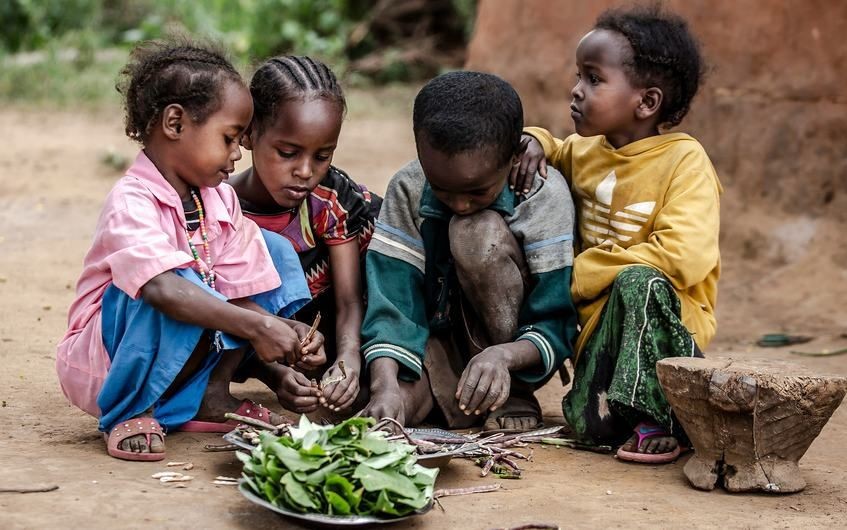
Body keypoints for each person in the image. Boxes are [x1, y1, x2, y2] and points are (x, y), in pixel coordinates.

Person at [55, 41, 319, 461]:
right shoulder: (132, 201)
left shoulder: (218, 200)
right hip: (109, 360)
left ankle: (209, 395)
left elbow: (239, 288)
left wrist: (280, 330)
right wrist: (255, 328)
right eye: (230, 138)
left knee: (272, 250)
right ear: (175, 123)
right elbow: (162, 289)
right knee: (170, 282)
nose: (238, 154)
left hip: (184, 353)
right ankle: (130, 410)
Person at [513, 5, 722, 463]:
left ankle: (668, 418)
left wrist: (584, 271)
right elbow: (554, 146)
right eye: (578, 75)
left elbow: (684, 256)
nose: (576, 90)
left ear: (646, 103)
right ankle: (622, 412)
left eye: (593, 79)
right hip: (598, 328)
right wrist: (533, 140)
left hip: (668, 327)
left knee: (637, 281)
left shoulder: (684, 162)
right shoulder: (586, 151)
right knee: (589, 430)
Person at [359, 71, 578, 432]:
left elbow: (555, 317)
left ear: (512, 159)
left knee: (474, 232)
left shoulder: (543, 196)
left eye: (477, 191)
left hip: (513, 350)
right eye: (442, 190)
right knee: (387, 414)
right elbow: (393, 299)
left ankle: (514, 392)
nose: (460, 203)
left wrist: (504, 356)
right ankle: (455, 393)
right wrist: (384, 385)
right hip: (437, 340)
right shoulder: (409, 186)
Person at [230, 56, 380, 416]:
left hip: (336, 314)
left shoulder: (331, 198)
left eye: (322, 156)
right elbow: (224, 311)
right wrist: (276, 375)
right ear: (248, 134)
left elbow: (348, 299)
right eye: (287, 153)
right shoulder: (221, 209)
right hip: (256, 327)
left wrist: (348, 359)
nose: (305, 172)